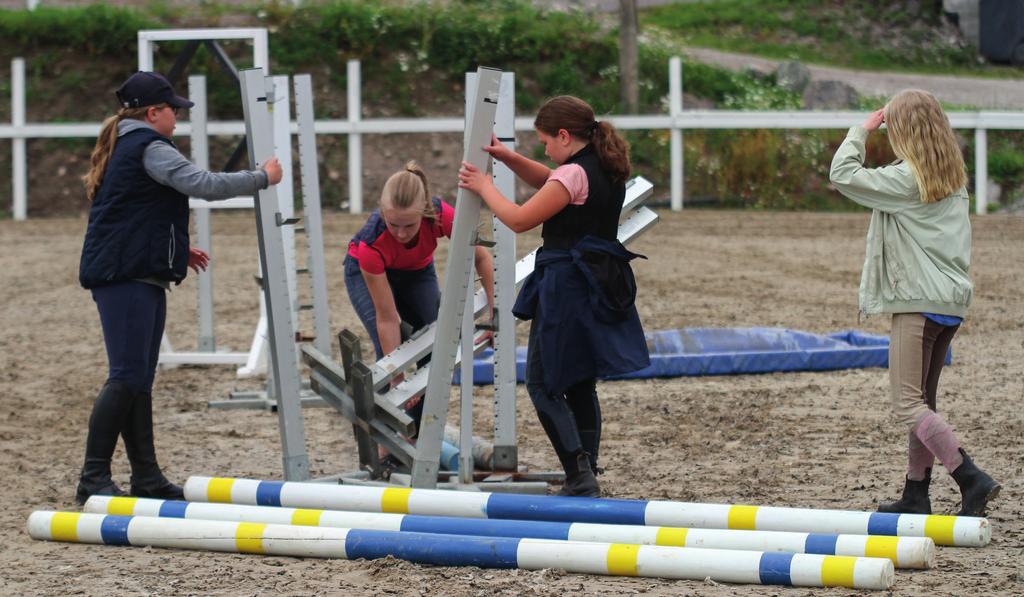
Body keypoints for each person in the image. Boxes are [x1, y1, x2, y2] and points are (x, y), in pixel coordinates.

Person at [77, 71, 283, 505]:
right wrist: (260, 177)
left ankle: (146, 477)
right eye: (174, 109)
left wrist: (174, 250)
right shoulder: (151, 147)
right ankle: (92, 476)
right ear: (154, 113)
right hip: (125, 278)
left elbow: (135, 213)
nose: (178, 117)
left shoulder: (131, 145)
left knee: (138, 380)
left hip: (136, 273)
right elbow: (202, 184)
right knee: (126, 378)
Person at [458, 95, 650, 497]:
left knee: (543, 384)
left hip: (567, 284)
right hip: (598, 280)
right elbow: (552, 180)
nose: (544, 148)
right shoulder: (601, 165)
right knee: (580, 381)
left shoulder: (573, 176)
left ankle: (578, 474)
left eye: (546, 140)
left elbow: (518, 219)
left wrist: (484, 185)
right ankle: (587, 470)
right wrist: (507, 157)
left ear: (564, 135)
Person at [829, 89, 1000, 516]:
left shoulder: (907, 179)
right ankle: (916, 491)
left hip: (918, 303)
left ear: (902, 130)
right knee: (923, 401)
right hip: (950, 303)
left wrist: (862, 129)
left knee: (906, 402)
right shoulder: (951, 178)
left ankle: (970, 476)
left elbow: (843, 174)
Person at [344, 161, 495, 429]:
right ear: (383, 214)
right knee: (392, 351)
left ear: (425, 213)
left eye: (409, 226)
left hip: (417, 271)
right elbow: (387, 318)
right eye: (393, 225)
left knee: (435, 342)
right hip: (368, 271)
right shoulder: (370, 244)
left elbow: (481, 256)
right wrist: (397, 377)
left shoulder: (441, 215)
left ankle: (418, 430)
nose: (401, 234)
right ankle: (385, 434)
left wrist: (496, 310)